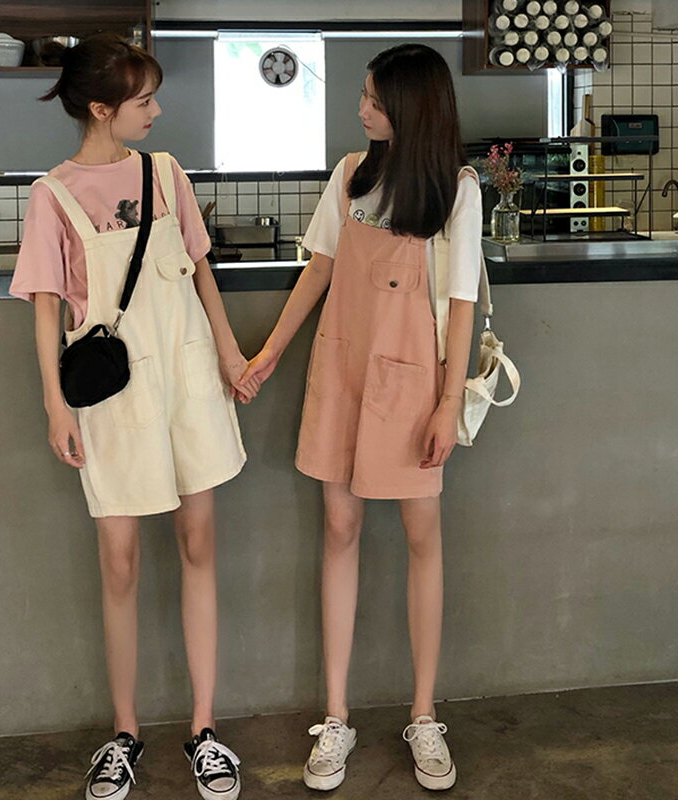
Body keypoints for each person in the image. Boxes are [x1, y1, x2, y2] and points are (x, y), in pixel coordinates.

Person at [9, 33, 257, 800]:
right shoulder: (51, 196)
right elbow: (45, 308)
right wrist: (54, 405)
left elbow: (200, 272)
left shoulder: (166, 173)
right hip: (113, 393)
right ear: (100, 108)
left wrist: (230, 356)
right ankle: (124, 733)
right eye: (143, 100)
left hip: (186, 376)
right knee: (119, 560)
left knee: (198, 542)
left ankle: (204, 728)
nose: (155, 111)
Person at [239, 43, 483, 792]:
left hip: (413, 388)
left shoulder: (457, 191)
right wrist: (269, 353)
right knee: (339, 531)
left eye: (374, 99)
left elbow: (462, 306)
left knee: (422, 539)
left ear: (411, 108)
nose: (361, 109)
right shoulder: (350, 175)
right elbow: (320, 267)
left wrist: (448, 402)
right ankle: (336, 716)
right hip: (342, 373)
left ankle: (424, 713)